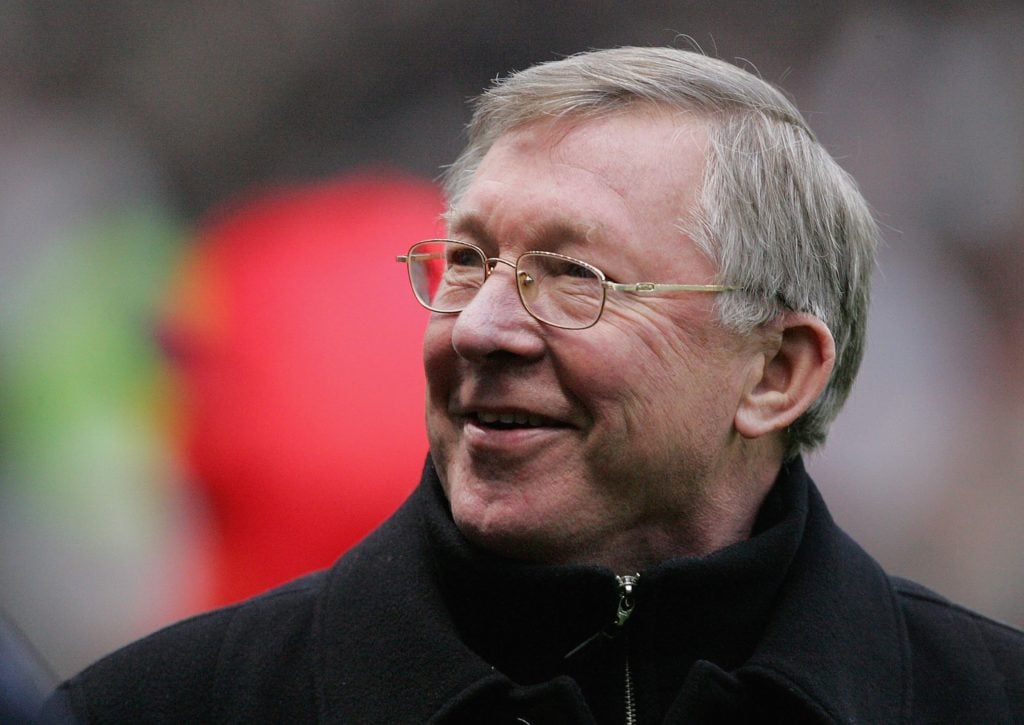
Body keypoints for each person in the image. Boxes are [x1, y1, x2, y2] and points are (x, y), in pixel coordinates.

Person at [44, 47, 1023, 724]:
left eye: (573, 277)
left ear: (776, 372)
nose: (478, 327)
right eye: (464, 262)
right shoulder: (157, 705)